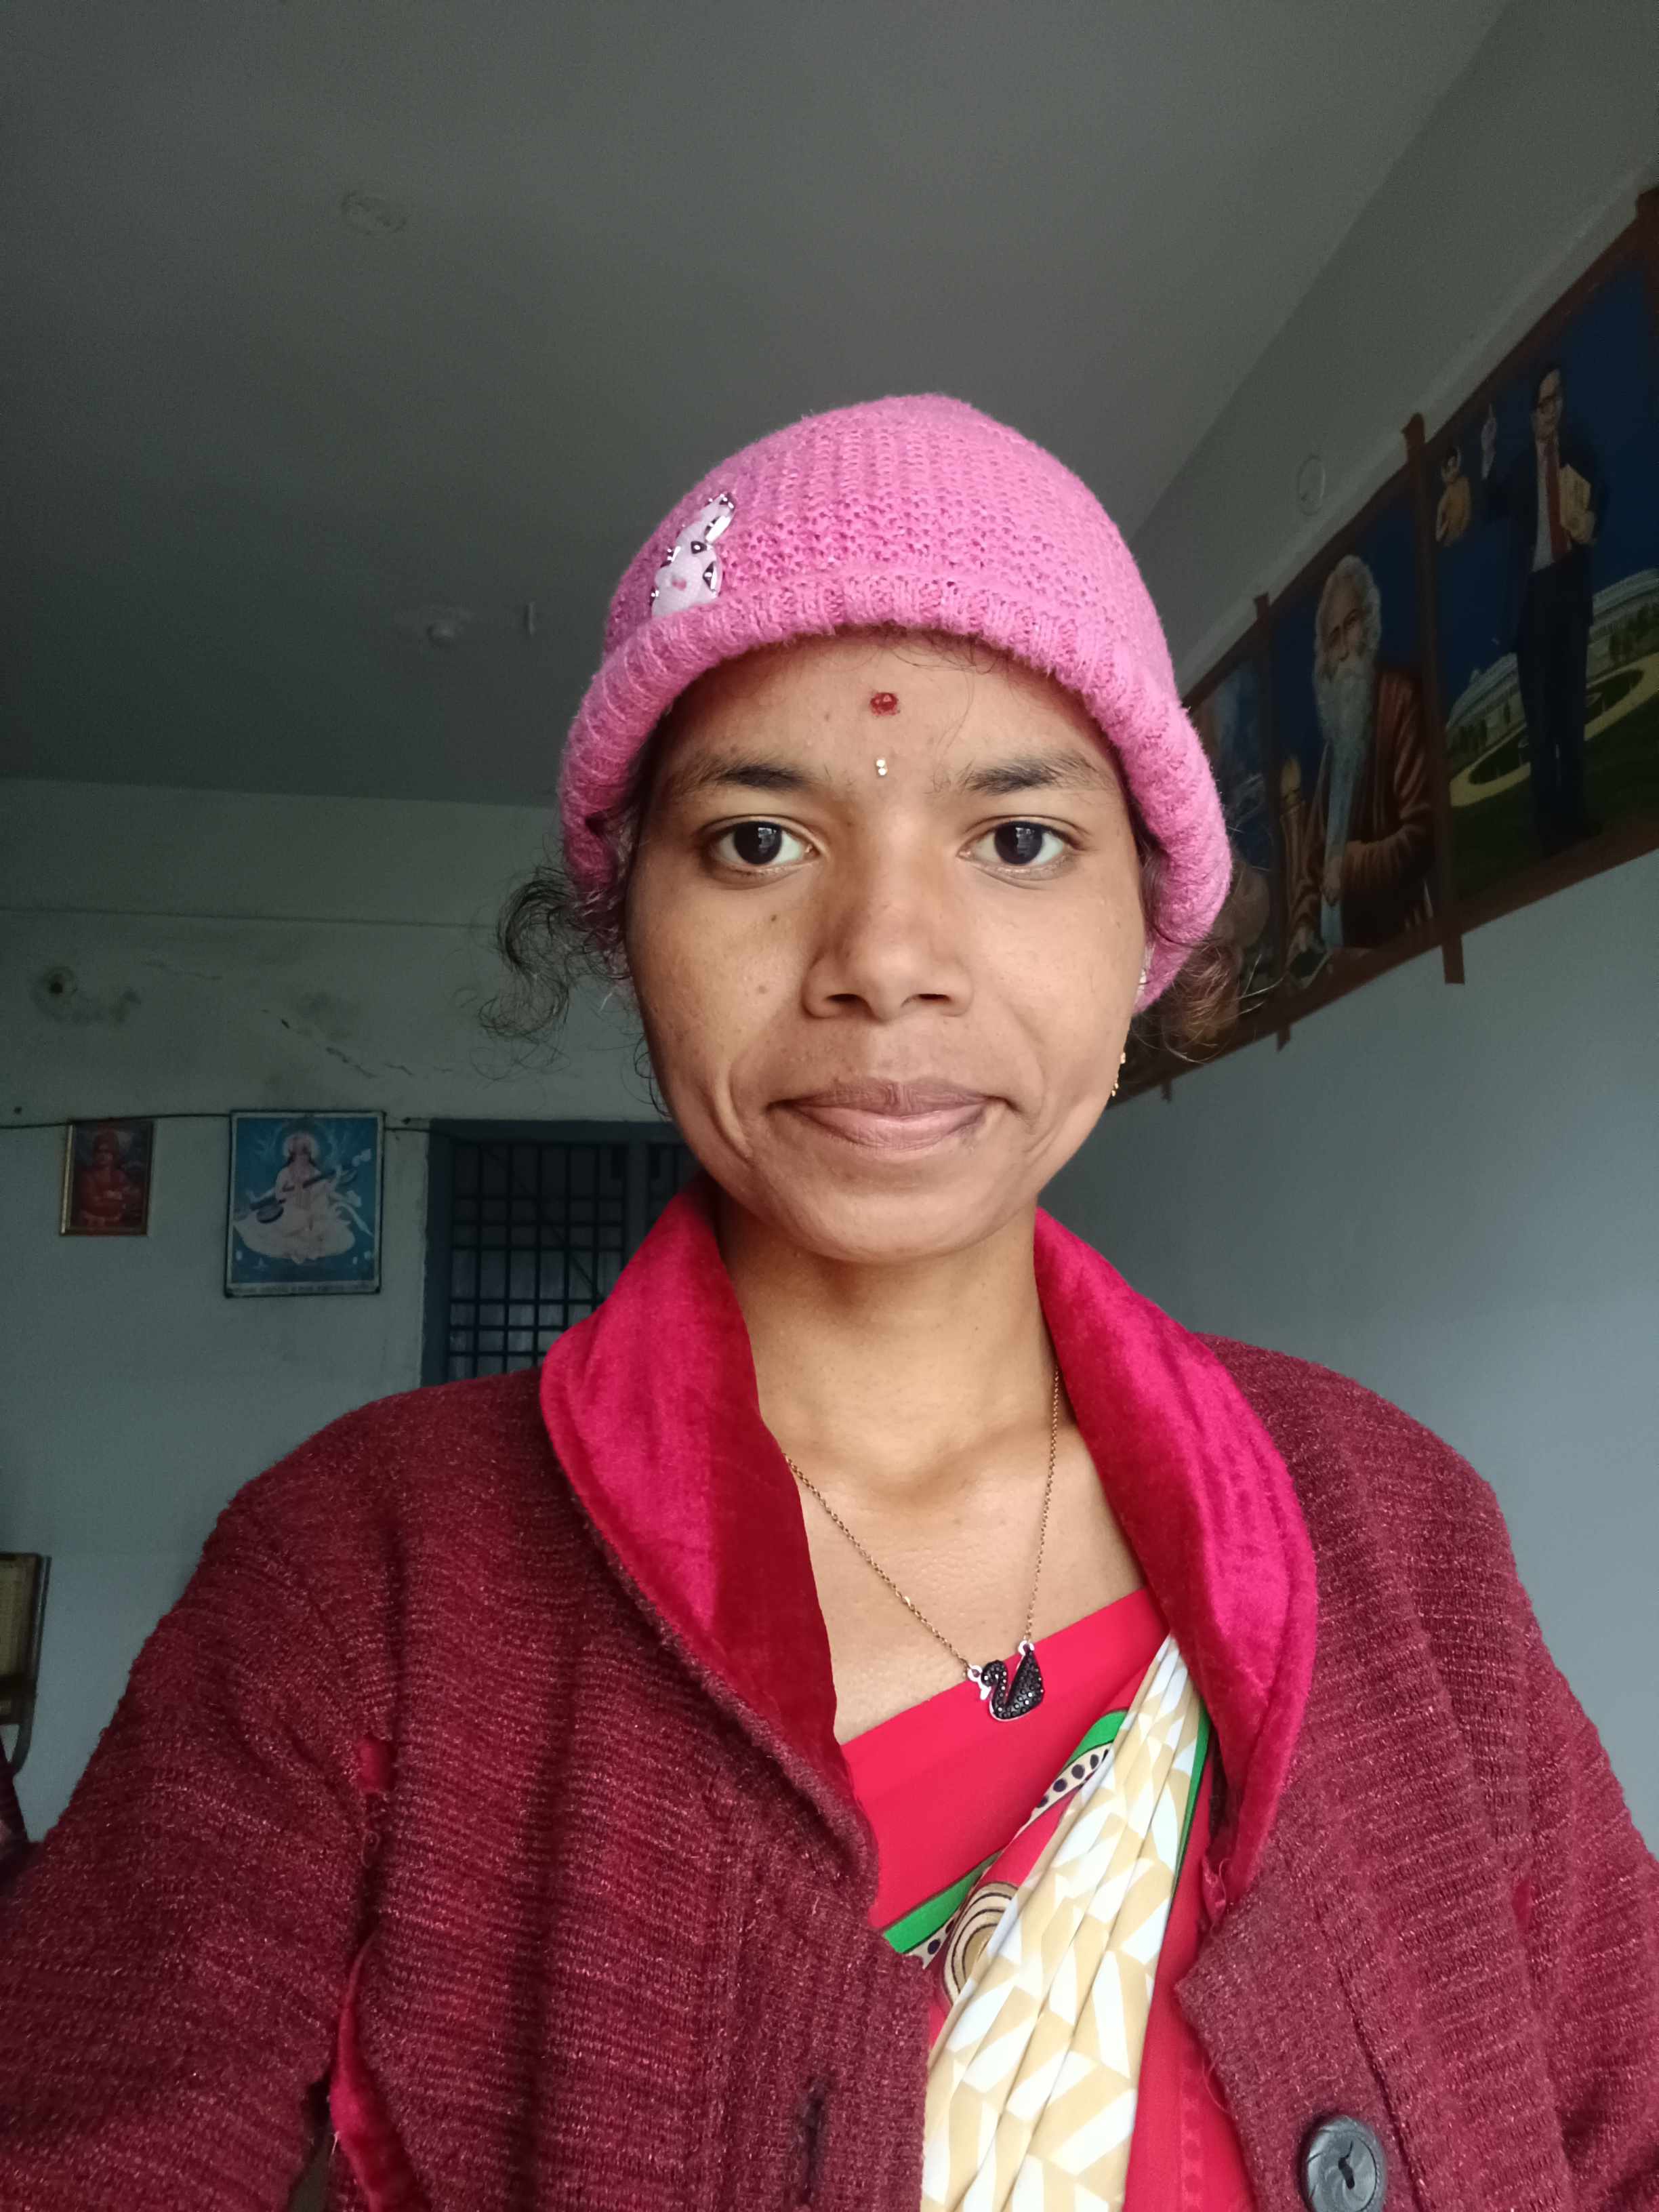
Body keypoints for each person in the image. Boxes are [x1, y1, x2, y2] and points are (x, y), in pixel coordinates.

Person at [1, 397, 1654, 2211]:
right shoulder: (360, 1583)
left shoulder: (1397, 1540)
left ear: (1152, 926)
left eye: (1014, 839)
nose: (882, 960)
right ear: (623, 925)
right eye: (756, 841)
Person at [1481, 363, 1607, 854]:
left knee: (1572, 711)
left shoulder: (1579, 451)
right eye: (1543, 403)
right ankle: (1547, 828)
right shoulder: (1518, 469)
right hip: (1532, 604)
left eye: (1557, 399)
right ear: (1530, 412)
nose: (1552, 411)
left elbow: (1602, 496)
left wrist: (1592, 518)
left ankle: (1576, 815)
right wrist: (1487, 452)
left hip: (1570, 593)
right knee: (1541, 724)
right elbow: (1491, 505)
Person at [1288, 552, 1434, 964]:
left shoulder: (1400, 700)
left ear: (1369, 625)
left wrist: (1350, 867)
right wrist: (1303, 924)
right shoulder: (1337, 745)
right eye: (1332, 638)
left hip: (1399, 955)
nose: (1342, 650)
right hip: (1342, 966)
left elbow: (1422, 834)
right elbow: (1313, 864)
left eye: (1350, 624)